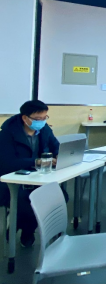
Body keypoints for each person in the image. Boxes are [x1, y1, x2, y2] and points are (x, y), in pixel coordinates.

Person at [0, 100, 60, 248]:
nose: (42, 122)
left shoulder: (44, 129)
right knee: (28, 204)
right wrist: (37, 161)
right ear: (25, 118)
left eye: (44, 117)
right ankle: (27, 231)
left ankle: (18, 226)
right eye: (38, 119)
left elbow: (55, 146)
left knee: (60, 197)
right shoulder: (7, 133)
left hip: (38, 178)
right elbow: (7, 163)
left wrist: (59, 156)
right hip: (11, 181)